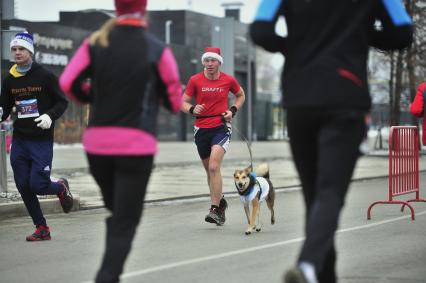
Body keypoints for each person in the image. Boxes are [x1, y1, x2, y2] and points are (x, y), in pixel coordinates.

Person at [250, 1, 413, 283]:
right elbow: (402, 33)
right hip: (345, 97)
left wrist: (299, 46)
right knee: (330, 192)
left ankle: (319, 273)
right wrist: (362, 33)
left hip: (300, 96)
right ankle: (309, 265)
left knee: (316, 199)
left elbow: (261, 31)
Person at [59, 0, 182, 282]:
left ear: (117, 9)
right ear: (144, 9)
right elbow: (175, 101)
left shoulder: (95, 43)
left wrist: (92, 96)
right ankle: (107, 276)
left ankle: (110, 267)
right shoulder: (156, 49)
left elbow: (67, 82)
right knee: (126, 218)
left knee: (119, 212)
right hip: (136, 147)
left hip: (98, 146)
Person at [0, 32, 72, 242]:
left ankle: (60, 187)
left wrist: (50, 116)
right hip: (20, 139)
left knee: (38, 185)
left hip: (41, 139)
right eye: (14, 49)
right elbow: (4, 108)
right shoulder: (10, 79)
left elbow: (62, 102)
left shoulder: (45, 76)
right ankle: (42, 228)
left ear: (30, 51)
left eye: (21, 49)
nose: (17, 53)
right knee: (23, 185)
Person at [182, 47, 245, 225]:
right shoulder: (195, 80)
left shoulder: (228, 80)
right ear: (203, 62)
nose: (210, 64)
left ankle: (215, 209)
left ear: (219, 62)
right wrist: (192, 109)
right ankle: (221, 202)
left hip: (221, 127)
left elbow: (240, 95)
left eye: (213, 60)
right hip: (201, 129)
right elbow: (183, 102)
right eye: (207, 60)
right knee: (210, 172)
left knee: (213, 167)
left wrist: (232, 110)